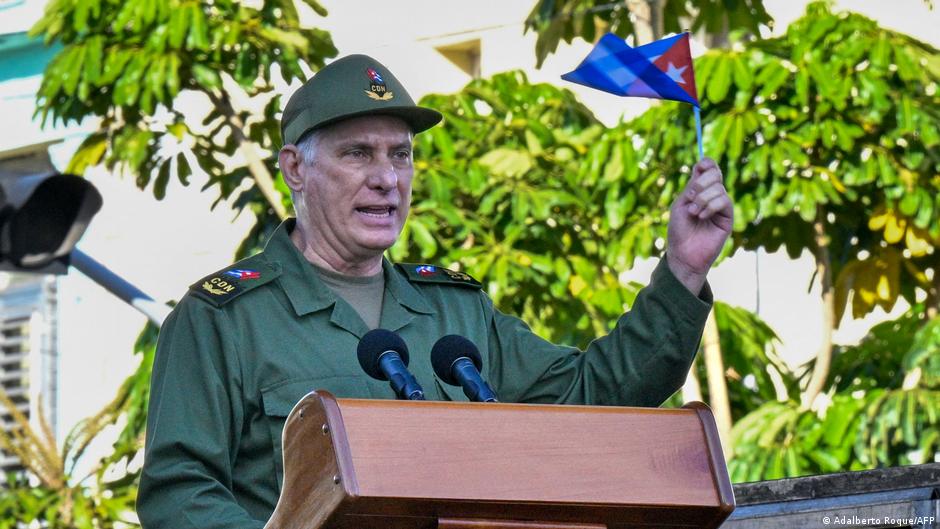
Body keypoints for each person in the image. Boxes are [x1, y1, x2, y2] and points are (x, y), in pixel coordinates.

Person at [137, 54, 733, 529]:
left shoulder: (456, 310)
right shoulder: (223, 318)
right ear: (295, 168)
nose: (386, 178)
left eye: (400, 155)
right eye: (358, 154)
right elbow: (178, 494)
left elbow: (590, 397)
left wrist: (683, 269)